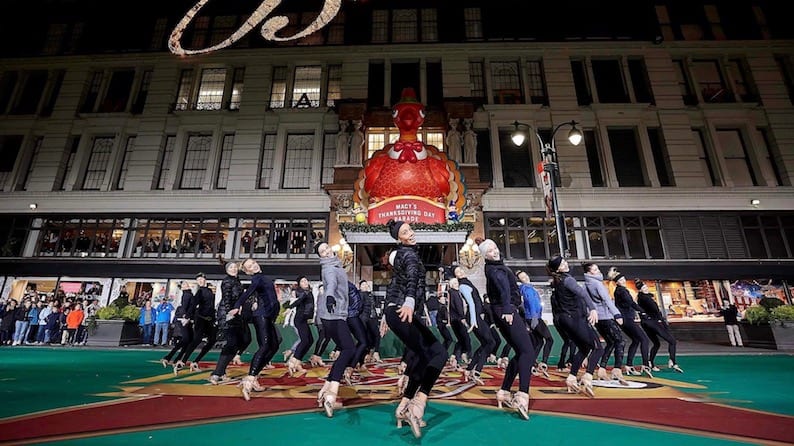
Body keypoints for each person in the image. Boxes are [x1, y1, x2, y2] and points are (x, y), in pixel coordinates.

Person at [384, 220, 446, 438]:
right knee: (438, 352)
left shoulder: (405, 254)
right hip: (403, 309)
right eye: (404, 232)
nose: (410, 233)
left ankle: (404, 406)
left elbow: (394, 286)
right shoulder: (408, 255)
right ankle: (418, 403)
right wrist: (409, 301)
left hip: (398, 310)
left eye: (409, 229)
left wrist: (388, 312)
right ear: (398, 238)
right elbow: (411, 277)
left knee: (421, 354)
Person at [479, 239, 534, 420]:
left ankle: (504, 391)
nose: (494, 251)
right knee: (528, 352)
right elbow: (504, 288)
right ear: (485, 255)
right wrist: (509, 309)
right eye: (490, 250)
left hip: (502, 311)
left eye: (495, 248)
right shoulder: (496, 269)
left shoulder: (494, 267)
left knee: (520, 352)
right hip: (506, 311)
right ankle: (522, 395)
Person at [547, 254, 604, 398]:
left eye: (564, 261)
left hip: (565, 321)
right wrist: (592, 309)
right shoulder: (568, 280)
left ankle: (572, 377)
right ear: (558, 269)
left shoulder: (557, 281)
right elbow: (583, 293)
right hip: (575, 319)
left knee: (584, 348)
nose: (565, 263)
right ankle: (588, 376)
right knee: (597, 348)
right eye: (562, 263)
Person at [229, 258, 280, 400]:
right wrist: (237, 305)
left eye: (253, 263)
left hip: (268, 316)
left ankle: (254, 375)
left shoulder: (262, 278)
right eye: (249, 266)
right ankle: (250, 377)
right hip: (261, 316)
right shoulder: (257, 278)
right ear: (248, 271)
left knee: (275, 344)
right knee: (265, 346)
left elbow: (265, 295)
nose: (253, 265)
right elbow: (248, 292)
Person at [315, 241, 355, 417]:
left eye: (326, 247)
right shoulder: (329, 267)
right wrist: (330, 297)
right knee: (349, 349)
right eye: (322, 251)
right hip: (333, 314)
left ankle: (327, 387)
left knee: (346, 349)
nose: (327, 251)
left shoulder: (336, 264)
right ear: (321, 256)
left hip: (334, 314)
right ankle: (332, 389)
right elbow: (330, 283)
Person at [582, 262, 627, 384]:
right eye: (595, 269)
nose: (598, 271)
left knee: (611, 342)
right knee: (620, 341)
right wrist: (617, 314)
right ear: (590, 272)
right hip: (605, 317)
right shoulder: (597, 283)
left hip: (596, 318)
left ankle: (602, 369)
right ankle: (617, 368)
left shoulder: (586, 284)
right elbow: (607, 299)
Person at [209, 261, 252, 384]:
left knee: (245, 339)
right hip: (228, 315)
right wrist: (229, 313)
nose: (233, 269)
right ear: (227, 270)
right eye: (231, 267)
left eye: (235, 267)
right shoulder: (228, 281)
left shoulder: (236, 281)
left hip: (236, 314)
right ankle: (217, 373)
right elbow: (227, 297)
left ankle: (221, 370)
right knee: (232, 343)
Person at [455, 267, 495, 385]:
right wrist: (473, 320)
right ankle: (476, 371)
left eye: (460, 270)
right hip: (474, 317)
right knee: (490, 342)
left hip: (476, 316)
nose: (461, 272)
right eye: (457, 272)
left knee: (486, 343)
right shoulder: (463, 285)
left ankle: (469, 369)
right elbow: (471, 304)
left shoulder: (467, 283)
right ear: (456, 276)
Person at [636, 279, 683, 373]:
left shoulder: (642, 298)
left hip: (647, 323)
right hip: (654, 322)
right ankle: (672, 361)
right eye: (643, 287)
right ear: (640, 290)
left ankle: (651, 362)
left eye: (646, 287)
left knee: (656, 343)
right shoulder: (646, 298)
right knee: (672, 341)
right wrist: (660, 320)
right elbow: (655, 310)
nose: (646, 288)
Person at [612, 272, 653, 378]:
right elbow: (631, 303)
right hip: (627, 319)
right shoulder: (622, 291)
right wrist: (642, 311)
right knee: (644, 340)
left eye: (624, 279)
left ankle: (629, 365)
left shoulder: (618, 291)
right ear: (617, 283)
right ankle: (645, 364)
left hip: (624, 319)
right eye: (621, 280)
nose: (624, 281)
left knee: (636, 340)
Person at [174, 273, 218, 373]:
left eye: (201, 279)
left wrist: (214, 317)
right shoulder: (199, 292)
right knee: (196, 340)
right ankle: (183, 361)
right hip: (201, 319)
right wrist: (188, 317)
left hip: (210, 319)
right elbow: (193, 305)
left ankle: (195, 361)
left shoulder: (210, 290)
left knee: (212, 340)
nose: (200, 281)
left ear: (205, 279)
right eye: (198, 280)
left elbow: (212, 305)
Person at [516, 270, 554, 378]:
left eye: (525, 275)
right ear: (520, 280)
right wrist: (534, 318)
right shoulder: (527, 289)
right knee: (549, 339)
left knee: (538, 342)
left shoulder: (528, 288)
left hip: (534, 317)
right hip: (534, 317)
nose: (525, 278)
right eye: (523, 278)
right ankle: (543, 362)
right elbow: (531, 303)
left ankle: (530, 364)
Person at [282, 276, 315, 376]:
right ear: (299, 284)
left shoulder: (308, 291)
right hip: (300, 319)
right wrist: (290, 308)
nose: (305, 282)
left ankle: (298, 361)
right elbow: (299, 300)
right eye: (302, 281)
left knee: (310, 340)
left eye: (306, 280)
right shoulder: (302, 292)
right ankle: (294, 360)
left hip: (304, 319)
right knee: (305, 340)